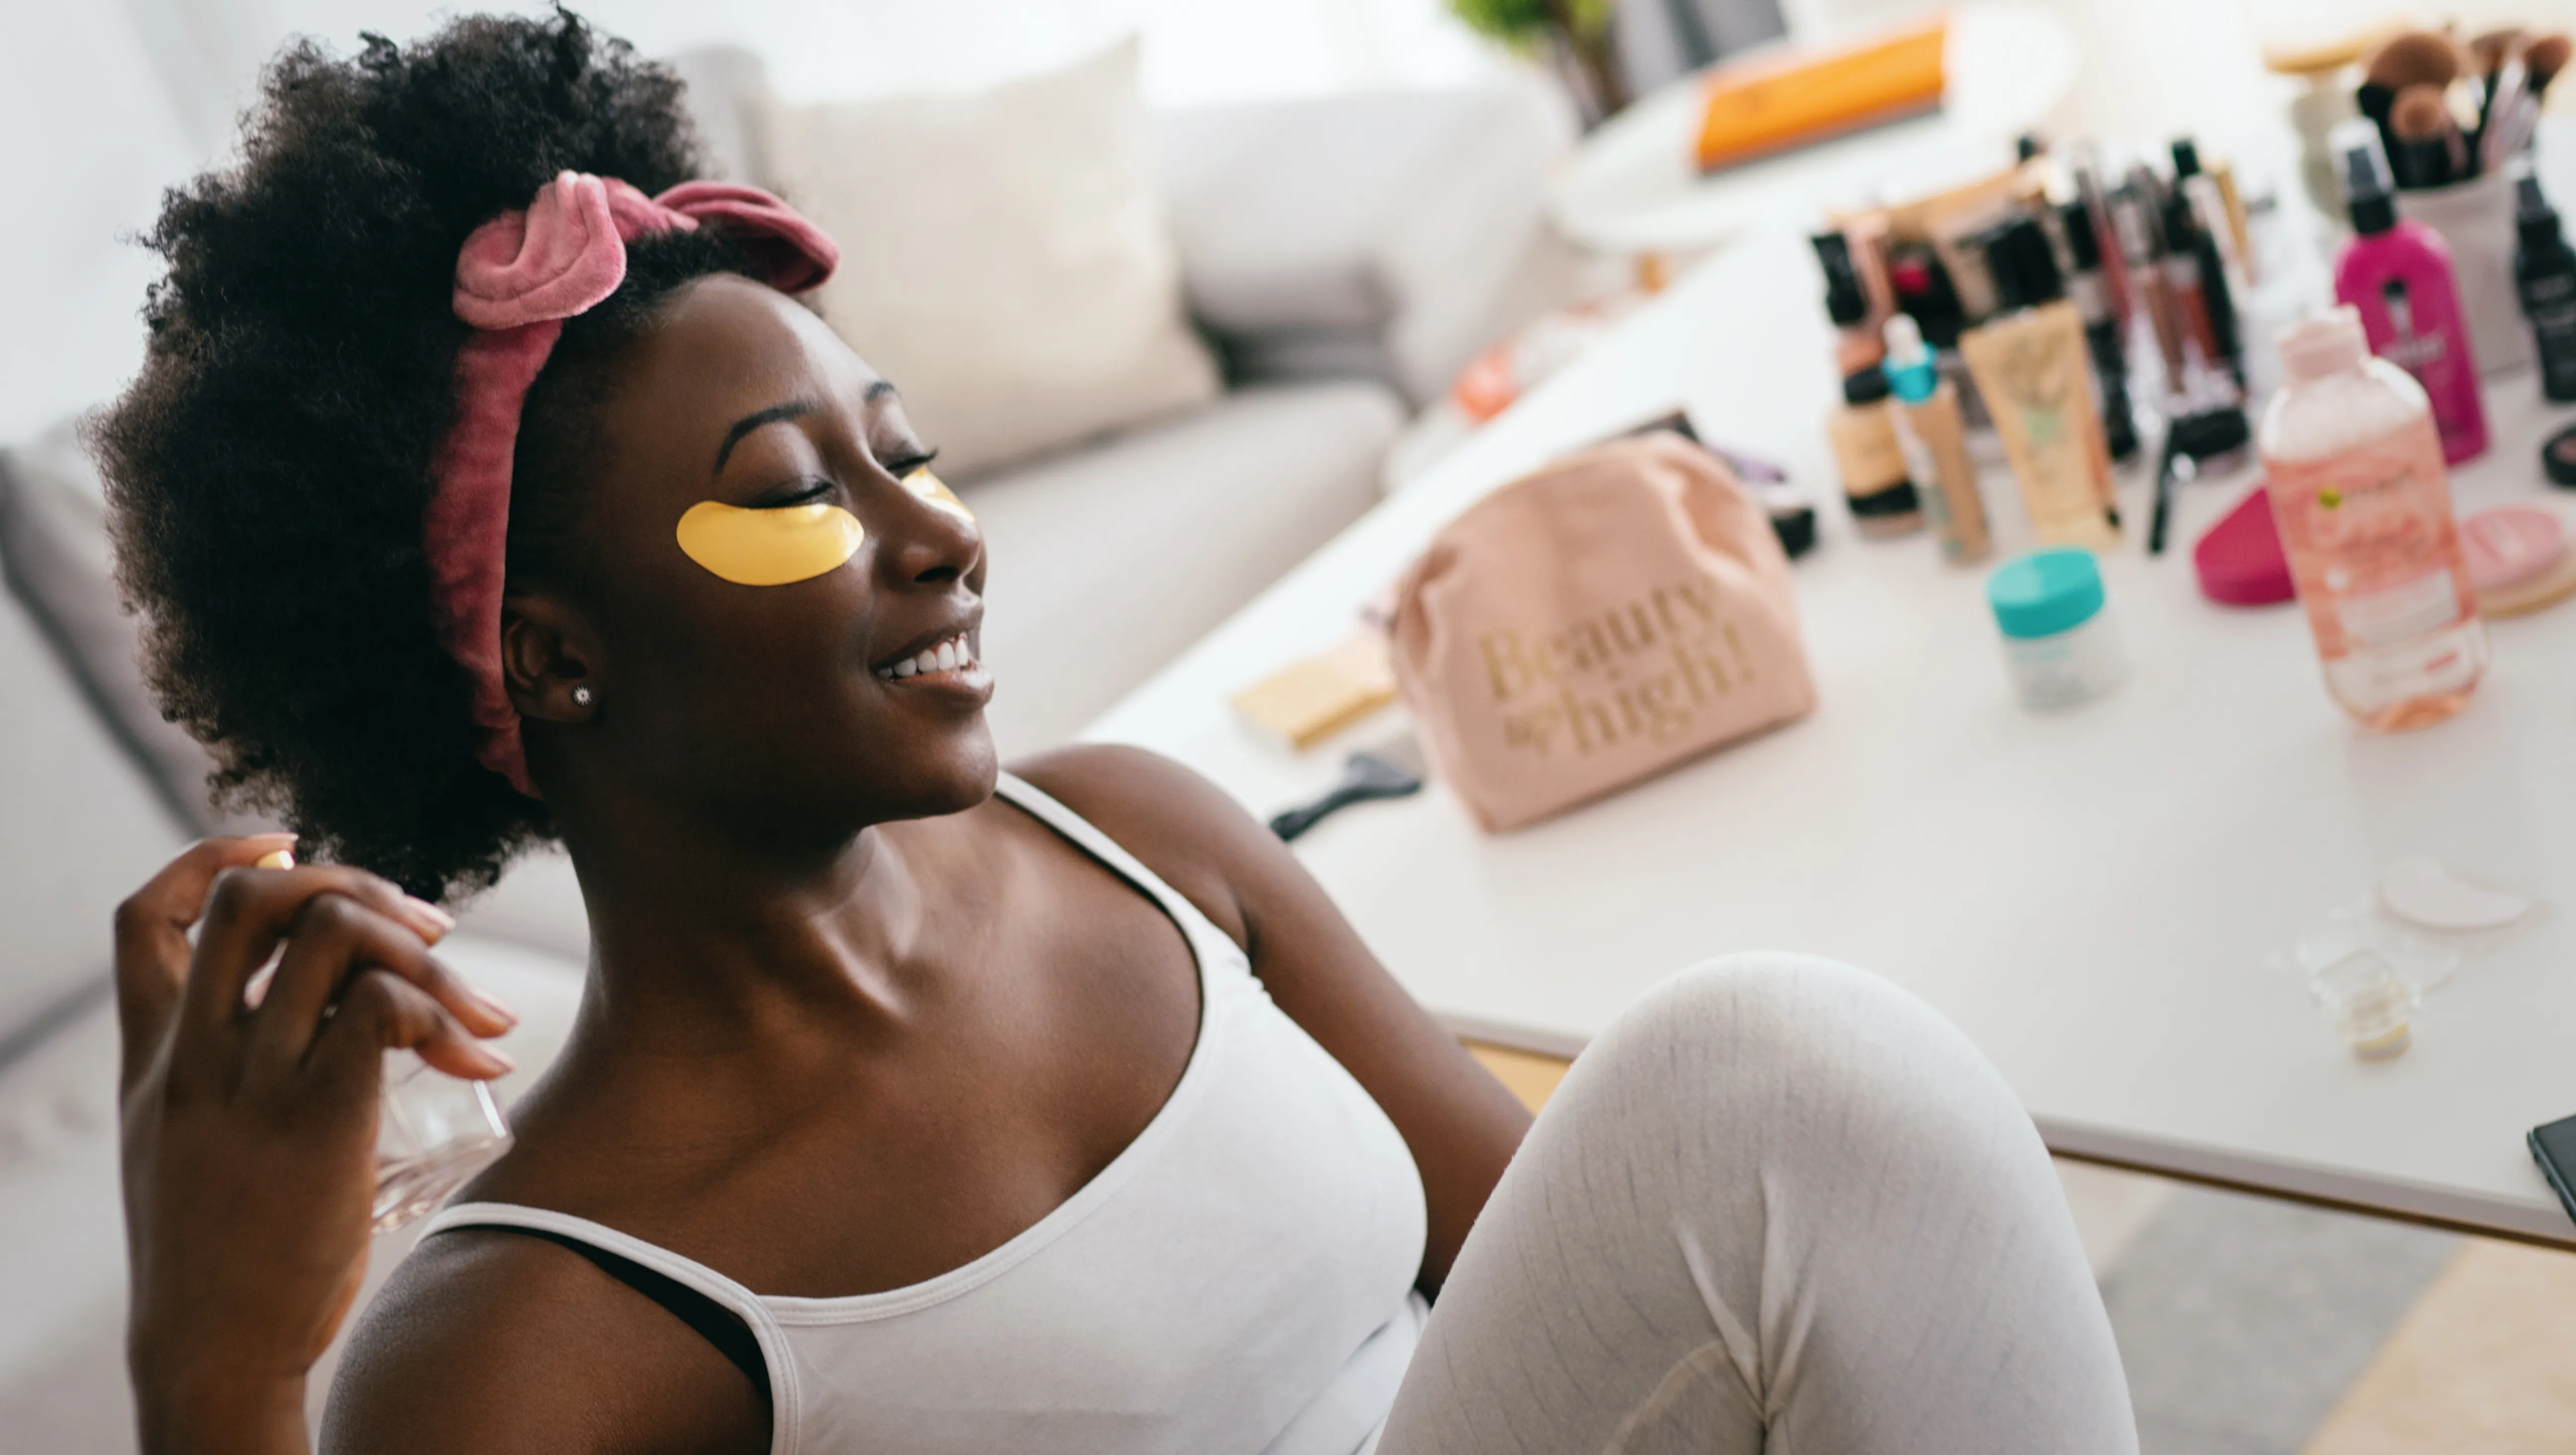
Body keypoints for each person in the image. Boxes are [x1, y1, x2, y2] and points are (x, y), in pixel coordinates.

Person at [100, 13, 2139, 1454]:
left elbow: (1627, 1291)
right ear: (553, 655)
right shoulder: (532, 1327)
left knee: (1776, 1112)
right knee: (1765, 1072)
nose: (938, 532)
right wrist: (214, 1370)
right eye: (793, 490)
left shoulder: (1144, 839)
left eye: (906, 450)